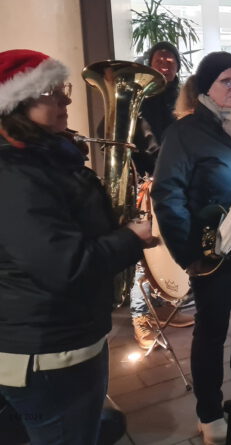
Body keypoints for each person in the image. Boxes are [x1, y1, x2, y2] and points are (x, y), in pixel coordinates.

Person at [0, 49, 153, 445]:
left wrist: (112, 226)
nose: (66, 99)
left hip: (60, 338)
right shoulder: (15, 174)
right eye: (53, 92)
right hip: (47, 352)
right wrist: (130, 239)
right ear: (18, 102)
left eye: (62, 89)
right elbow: (66, 266)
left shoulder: (44, 159)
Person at [151, 51, 231, 445]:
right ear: (206, 86)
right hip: (212, 251)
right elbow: (167, 194)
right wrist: (189, 253)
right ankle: (209, 411)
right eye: (226, 80)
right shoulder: (185, 132)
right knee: (211, 332)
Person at [126, 41, 195, 350]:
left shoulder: (178, 98)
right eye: (160, 58)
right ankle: (140, 316)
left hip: (172, 180)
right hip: (146, 182)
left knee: (167, 243)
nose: (166, 62)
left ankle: (164, 305)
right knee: (145, 250)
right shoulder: (139, 99)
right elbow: (148, 140)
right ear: (150, 63)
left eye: (171, 59)